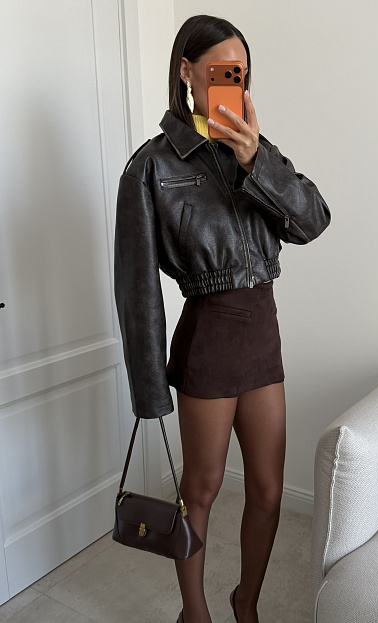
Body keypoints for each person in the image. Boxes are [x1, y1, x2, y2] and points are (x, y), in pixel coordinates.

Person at [114, 14, 331, 623]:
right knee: (202, 489)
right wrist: (149, 391)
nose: (234, 83)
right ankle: (194, 611)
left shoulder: (257, 151)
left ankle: (246, 602)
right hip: (208, 336)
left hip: (262, 334)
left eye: (242, 73)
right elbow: (137, 289)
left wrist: (257, 161)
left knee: (267, 490)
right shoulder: (151, 167)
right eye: (221, 71)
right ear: (187, 72)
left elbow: (313, 222)